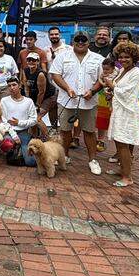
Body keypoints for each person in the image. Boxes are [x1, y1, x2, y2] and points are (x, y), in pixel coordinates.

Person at [50, 32, 104, 175]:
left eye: (83, 40)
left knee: (90, 131)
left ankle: (92, 160)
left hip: (89, 102)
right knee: (65, 131)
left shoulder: (98, 59)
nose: (80, 42)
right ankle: (64, 156)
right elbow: (55, 74)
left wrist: (92, 91)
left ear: (89, 41)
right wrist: (67, 88)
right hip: (67, 101)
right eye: (77, 40)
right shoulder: (62, 57)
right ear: (73, 41)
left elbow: (103, 78)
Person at [102, 41, 139, 187]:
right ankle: (123, 170)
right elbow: (118, 89)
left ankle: (127, 177)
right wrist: (111, 92)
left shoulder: (138, 74)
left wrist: (111, 86)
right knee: (120, 143)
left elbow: (129, 95)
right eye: (120, 57)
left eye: (127, 57)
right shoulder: (122, 71)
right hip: (119, 110)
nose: (123, 60)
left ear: (134, 57)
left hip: (128, 112)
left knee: (123, 144)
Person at [0, 76, 39, 167]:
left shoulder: (28, 101)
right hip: (9, 132)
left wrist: (19, 123)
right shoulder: (4, 101)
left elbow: (34, 120)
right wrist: (14, 135)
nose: (12, 87)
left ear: (20, 85)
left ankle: (20, 152)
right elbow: (4, 121)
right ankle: (12, 151)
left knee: (31, 162)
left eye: (14, 85)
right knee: (7, 144)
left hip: (23, 131)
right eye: (9, 86)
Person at [22, 52, 57, 135]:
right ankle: (35, 137)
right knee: (32, 115)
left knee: (36, 118)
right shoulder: (25, 71)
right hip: (35, 95)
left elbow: (42, 92)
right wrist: (28, 101)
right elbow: (26, 87)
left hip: (49, 96)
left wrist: (37, 105)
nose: (31, 62)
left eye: (34, 60)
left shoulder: (40, 74)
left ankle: (48, 138)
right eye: (29, 60)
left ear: (38, 62)